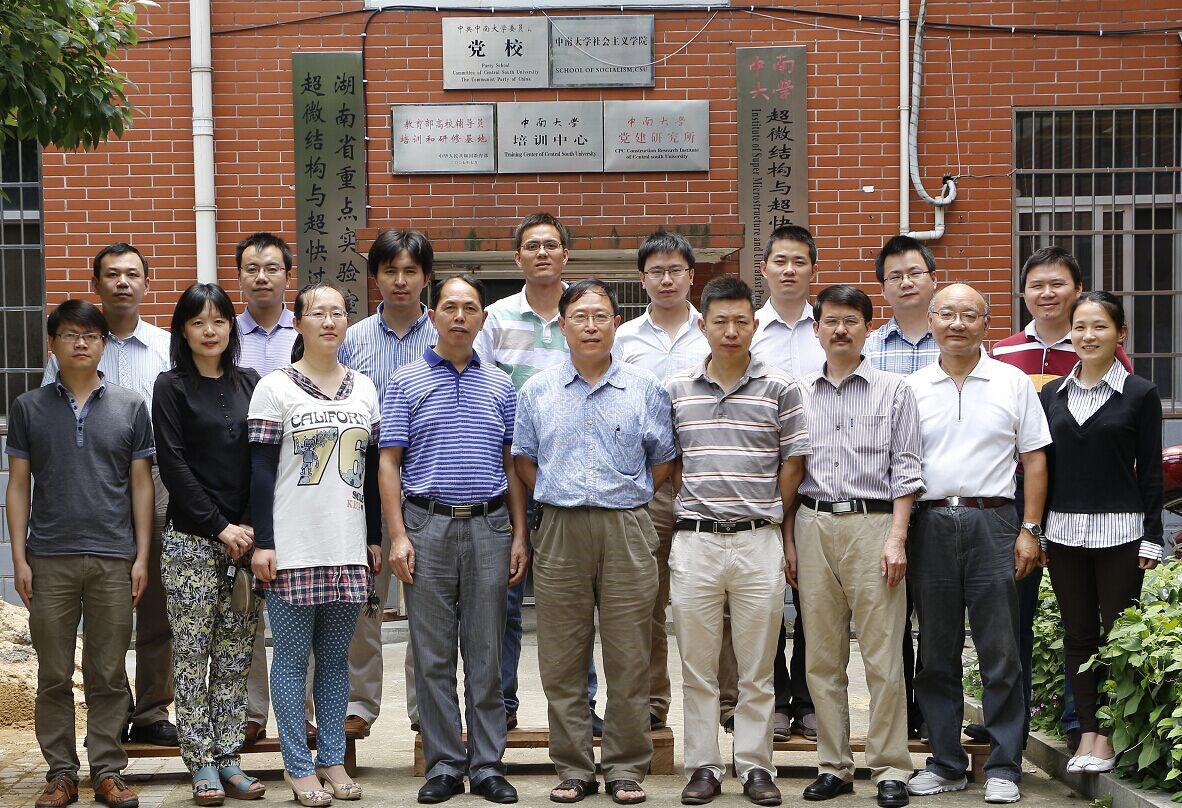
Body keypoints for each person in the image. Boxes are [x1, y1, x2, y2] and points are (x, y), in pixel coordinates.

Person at [512, 279, 676, 805]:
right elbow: (524, 459)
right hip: (560, 529)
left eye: (600, 316)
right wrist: (560, 492)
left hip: (627, 527)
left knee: (629, 652)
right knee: (562, 656)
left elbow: (663, 461)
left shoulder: (644, 388)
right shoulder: (537, 390)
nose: (590, 326)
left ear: (615, 324)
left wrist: (627, 494)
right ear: (563, 325)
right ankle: (574, 767)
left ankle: (625, 766)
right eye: (579, 317)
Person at [382, 275, 528, 805]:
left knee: (487, 652)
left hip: (490, 527)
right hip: (426, 527)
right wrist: (397, 535)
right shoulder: (405, 381)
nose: (460, 316)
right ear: (433, 315)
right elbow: (389, 462)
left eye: (470, 308)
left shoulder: (501, 385)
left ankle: (488, 764)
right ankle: (444, 764)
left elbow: (512, 466)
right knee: (433, 654)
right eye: (450, 307)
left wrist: (519, 534)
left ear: (483, 318)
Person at [905, 284, 1050, 805]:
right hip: (930, 525)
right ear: (931, 320)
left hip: (995, 522)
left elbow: (1035, 459)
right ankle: (946, 763)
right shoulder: (912, 387)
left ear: (987, 324)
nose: (957, 323)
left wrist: (1030, 529)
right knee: (935, 651)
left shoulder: (1012, 382)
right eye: (947, 313)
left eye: (969, 314)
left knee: (1000, 649)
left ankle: (1004, 766)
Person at [667, 277, 809, 808]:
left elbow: (793, 464)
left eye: (741, 321)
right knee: (698, 667)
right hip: (696, 542)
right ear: (702, 325)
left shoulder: (781, 388)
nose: (731, 330)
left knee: (757, 666)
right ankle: (703, 766)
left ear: (755, 325)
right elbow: (673, 462)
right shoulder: (676, 389)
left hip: (757, 541)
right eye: (720, 321)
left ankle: (754, 767)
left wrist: (765, 511)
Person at [8, 300, 155, 808]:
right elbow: (19, 486)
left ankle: (108, 770)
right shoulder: (28, 408)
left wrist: (141, 555)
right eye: (69, 334)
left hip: (114, 557)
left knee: (108, 672)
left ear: (103, 344)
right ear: (52, 343)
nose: (80, 343)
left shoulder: (130, 406)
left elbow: (141, 485)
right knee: (53, 673)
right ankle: (61, 774)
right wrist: (20, 558)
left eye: (90, 335)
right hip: (49, 558)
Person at [988, 246, 1132, 752]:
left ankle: (1079, 722)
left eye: (1058, 284)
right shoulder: (1002, 353)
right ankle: (1011, 720)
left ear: (1077, 290)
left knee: (1083, 618)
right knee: (1014, 615)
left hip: (1085, 505)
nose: (1047, 293)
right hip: (1016, 500)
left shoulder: (1098, 346)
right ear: (1023, 292)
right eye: (1037, 285)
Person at [248, 284, 382, 806]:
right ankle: (298, 766)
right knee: (289, 661)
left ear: (347, 322)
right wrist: (263, 543)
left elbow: (372, 474)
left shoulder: (364, 388)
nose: (329, 321)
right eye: (317, 313)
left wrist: (374, 537)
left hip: (346, 545)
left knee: (333, 661)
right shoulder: (275, 387)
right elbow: (261, 472)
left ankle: (331, 758)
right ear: (299, 323)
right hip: (293, 548)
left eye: (338, 313)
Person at [792, 285, 922, 808]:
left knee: (883, 655)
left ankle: (890, 767)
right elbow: (788, 471)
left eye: (851, 320)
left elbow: (907, 469)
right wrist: (789, 540)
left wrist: (897, 538)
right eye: (831, 321)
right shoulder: (797, 391)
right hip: (813, 523)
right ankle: (834, 765)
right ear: (817, 329)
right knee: (821, 657)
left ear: (868, 328)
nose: (840, 329)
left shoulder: (895, 390)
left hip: (874, 525)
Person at [41, 243, 176, 747]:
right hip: (92, 483)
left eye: (132, 274)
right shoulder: (72, 346)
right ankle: (111, 707)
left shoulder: (166, 346)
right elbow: (53, 417)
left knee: (155, 597)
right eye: (112, 274)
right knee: (105, 608)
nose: (122, 282)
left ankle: (153, 709)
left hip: (156, 479)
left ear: (147, 283)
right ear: (95, 283)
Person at [472, 213, 600, 734]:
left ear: (566, 254)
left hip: (574, 479)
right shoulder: (497, 319)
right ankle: (502, 704)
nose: (542, 253)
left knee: (575, 604)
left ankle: (580, 706)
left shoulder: (585, 312)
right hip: (509, 476)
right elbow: (480, 388)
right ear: (517, 257)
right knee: (503, 600)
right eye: (532, 246)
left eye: (551, 244)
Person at [1040, 291, 1162, 774]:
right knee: (1078, 636)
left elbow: (1150, 471)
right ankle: (1087, 733)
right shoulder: (1052, 394)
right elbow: (1044, 469)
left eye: (1100, 327)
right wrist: (1038, 531)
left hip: (1122, 533)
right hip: (1063, 532)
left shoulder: (1140, 393)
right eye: (1080, 327)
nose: (1088, 336)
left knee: (1116, 637)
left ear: (1120, 334)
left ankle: (1110, 736)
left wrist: (1153, 536)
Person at [152, 284, 266, 804]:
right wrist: (221, 527)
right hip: (192, 542)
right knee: (192, 654)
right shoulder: (171, 386)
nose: (209, 331)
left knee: (236, 655)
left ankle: (229, 758)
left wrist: (248, 527)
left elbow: (263, 460)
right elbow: (173, 465)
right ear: (183, 329)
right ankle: (200, 762)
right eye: (198, 322)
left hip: (245, 545)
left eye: (219, 321)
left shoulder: (251, 382)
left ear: (230, 327)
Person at [337, 230, 439, 740]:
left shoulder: (444, 334)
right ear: (374, 276)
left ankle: (427, 710)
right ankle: (359, 703)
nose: (400, 281)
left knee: (428, 607)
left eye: (410, 271)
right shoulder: (352, 339)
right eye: (389, 271)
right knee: (364, 601)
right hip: (364, 482)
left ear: (426, 277)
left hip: (430, 479)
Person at [614, 230, 709, 732]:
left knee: (710, 601)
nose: (667, 279)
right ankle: (651, 700)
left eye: (675, 270)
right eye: (657, 271)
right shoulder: (623, 339)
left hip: (706, 480)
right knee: (645, 600)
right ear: (642, 278)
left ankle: (727, 704)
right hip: (647, 485)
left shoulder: (711, 330)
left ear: (691, 275)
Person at [748, 224, 823, 740]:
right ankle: (775, 698)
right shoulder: (749, 330)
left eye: (799, 261)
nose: (790, 270)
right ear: (765, 268)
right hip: (763, 479)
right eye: (780, 260)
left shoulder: (829, 328)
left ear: (812, 269)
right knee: (767, 594)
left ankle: (810, 699)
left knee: (815, 596)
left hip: (823, 479)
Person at [864, 235, 940, 740]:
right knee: (889, 616)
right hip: (883, 504)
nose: (906, 282)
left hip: (939, 501)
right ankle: (899, 716)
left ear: (933, 279)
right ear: (884, 288)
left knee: (935, 616)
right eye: (895, 276)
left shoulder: (956, 340)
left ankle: (932, 715)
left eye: (914, 272)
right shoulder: (869, 349)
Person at [234, 232, 299, 746]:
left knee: (307, 600)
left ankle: (307, 712)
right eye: (252, 268)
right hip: (243, 476)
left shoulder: (308, 329)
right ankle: (252, 711)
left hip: (303, 479)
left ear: (287, 276)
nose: (262, 277)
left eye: (271, 268)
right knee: (247, 606)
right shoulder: (223, 333)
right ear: (239, 276)